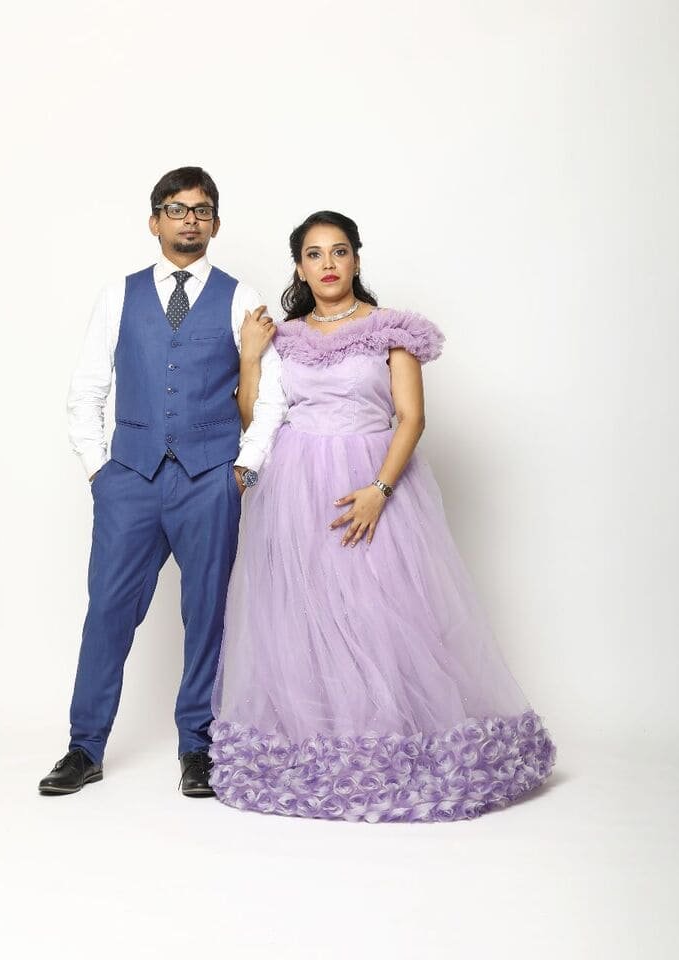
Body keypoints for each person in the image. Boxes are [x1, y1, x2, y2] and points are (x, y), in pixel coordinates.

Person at [209, 211, 556, 822]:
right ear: (299, 268)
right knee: (305, 614)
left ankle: (389, 746)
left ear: (357, 259)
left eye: (339, 251)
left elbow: (411, 417)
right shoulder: (284, 337)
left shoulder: (390, 329)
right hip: (294, 486)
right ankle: (319, 747)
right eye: (314, 254)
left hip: (371, 481)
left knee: (378, 610)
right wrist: (251, 358)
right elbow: (256, 419)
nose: (328, 264)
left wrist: (379, 488)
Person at [38, 167, 287, 797]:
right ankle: (84, 746)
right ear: (155, 221)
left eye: (201, 210)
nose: (189, 219)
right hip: (130, 477)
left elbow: (271, 394)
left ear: (216, 224)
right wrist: (99, 470)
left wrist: (244, 468)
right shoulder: (117, 296)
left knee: (207, 615)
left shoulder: (240, 295)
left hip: (210, 479)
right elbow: (87, 388)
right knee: (108, 611)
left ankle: (198, 747)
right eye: (177, 209)